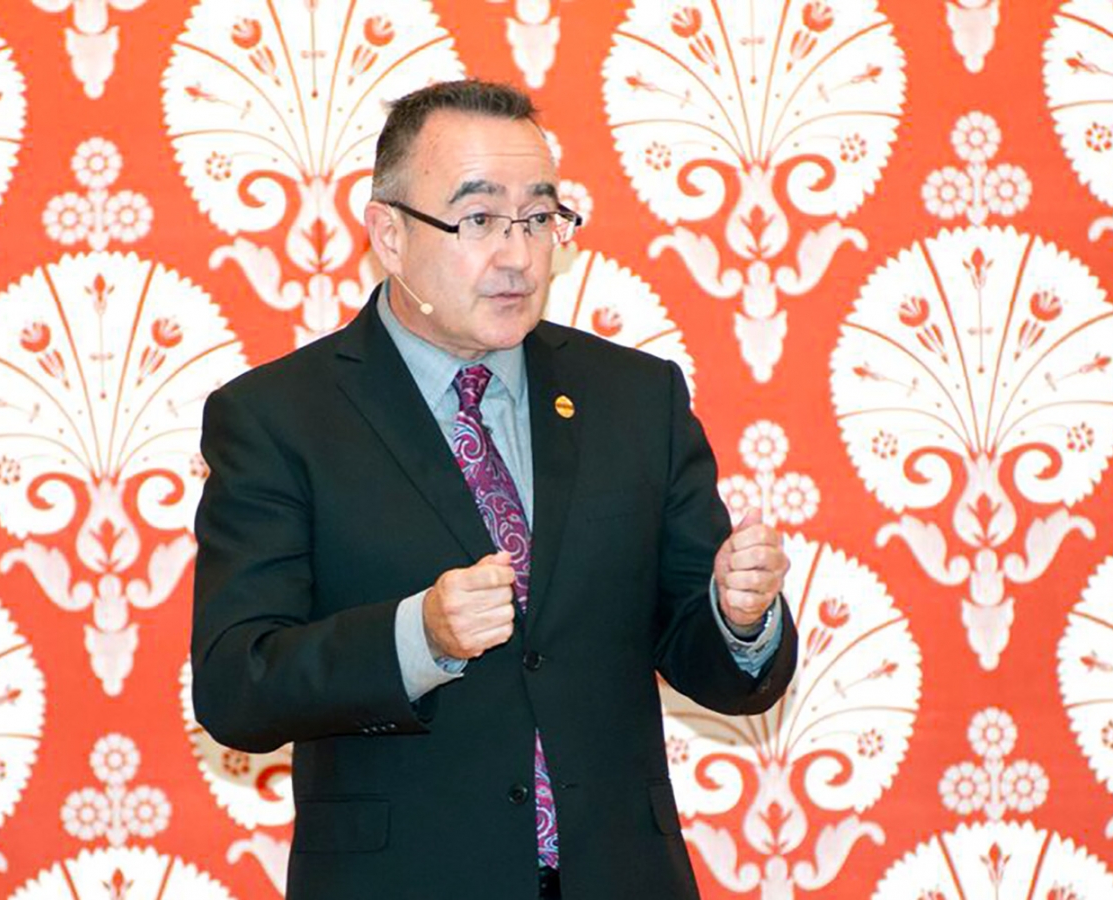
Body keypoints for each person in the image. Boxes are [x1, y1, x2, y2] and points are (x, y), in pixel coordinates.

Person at [191, 79, 797, 900]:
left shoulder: (636, 398)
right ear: (390, 235)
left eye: (539, 218)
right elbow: (237, 686)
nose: (517, 255)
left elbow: (713, 665)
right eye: (478, 220)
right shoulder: (278, 418)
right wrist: (419, 637)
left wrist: (736, 617)